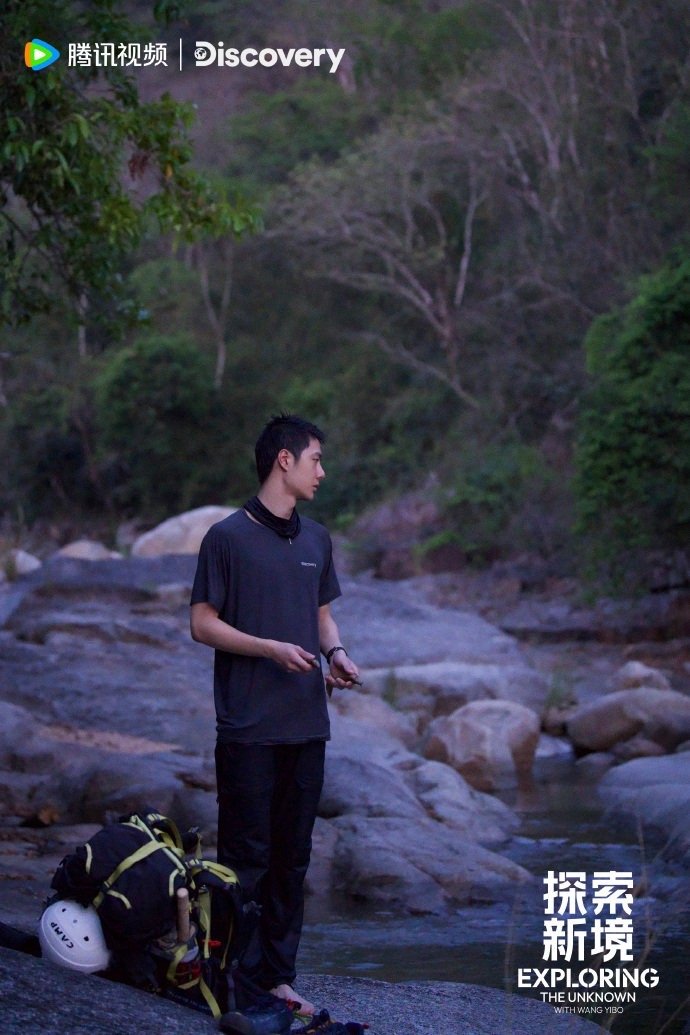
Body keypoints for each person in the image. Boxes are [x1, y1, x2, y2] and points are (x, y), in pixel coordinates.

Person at [189, 414, 359, 1016]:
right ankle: (231, 979)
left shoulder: (317, 539)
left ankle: (278, 978)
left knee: (293, 858)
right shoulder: (226, 537)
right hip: (248, 729)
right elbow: (202, 623)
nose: (322, 471)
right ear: (284, 460)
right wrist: (267, 648)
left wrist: (335, 654)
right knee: (245, 860)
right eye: (316, 458)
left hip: (307, 724)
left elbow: (321, 617)